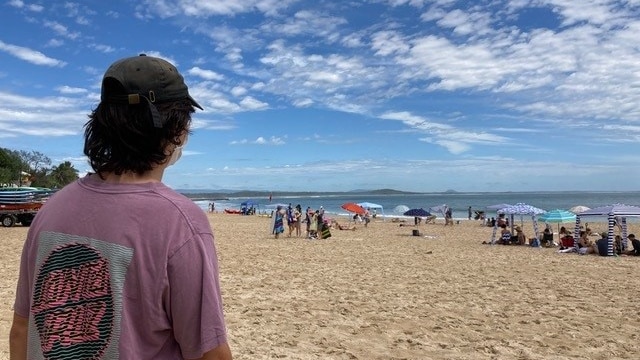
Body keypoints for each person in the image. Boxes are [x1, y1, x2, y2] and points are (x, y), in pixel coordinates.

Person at [10, 55, 232, 359]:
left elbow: (22, 327)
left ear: (103, 124)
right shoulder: (181, 223)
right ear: (178, 130)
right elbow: (210, 353)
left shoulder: (52, 209)